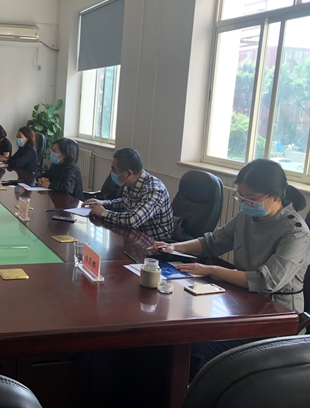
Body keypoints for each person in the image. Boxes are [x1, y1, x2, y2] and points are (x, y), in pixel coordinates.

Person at [150, 159, 310, 379]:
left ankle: (198, 391)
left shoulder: (295, 232)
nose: (245, 202)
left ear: (275, 196)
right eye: (241, 196)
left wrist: (212, 270)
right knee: (180, 331)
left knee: (196, 348)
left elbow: (267, 281)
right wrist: (174, 247)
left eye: (251, 197)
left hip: (275, 315)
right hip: (243, 301)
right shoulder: (246, 216)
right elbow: (214, 241)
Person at [83, 148, 174, 241]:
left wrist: (104, 213)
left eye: (113, 169)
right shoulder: (130, 183)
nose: (111, 173)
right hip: (135, 235)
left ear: (128, 173)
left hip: (156, 242)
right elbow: (125, 202)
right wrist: (104, 203)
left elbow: (133, 220)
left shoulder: (155, 190)